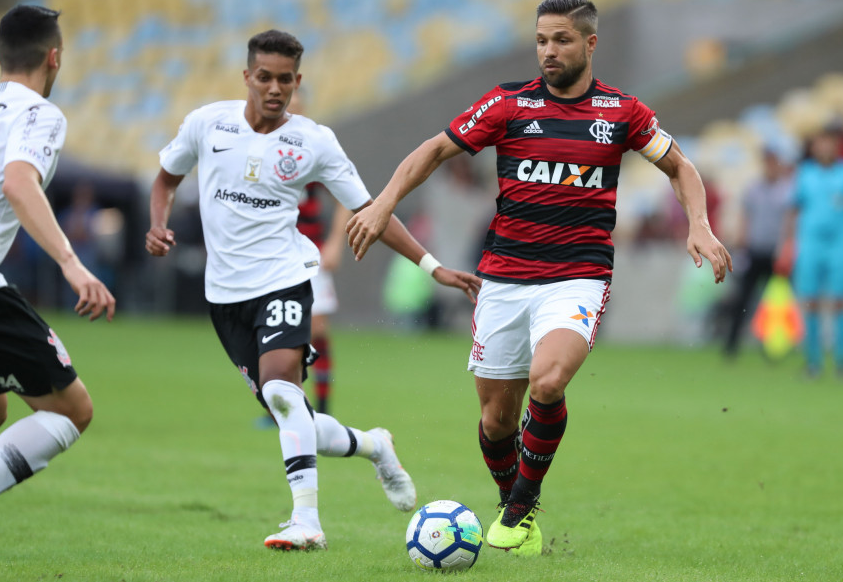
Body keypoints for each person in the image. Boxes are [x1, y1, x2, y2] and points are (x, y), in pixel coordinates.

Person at [347, 0, 731, 557]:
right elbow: (433, 150)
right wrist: (384, 203)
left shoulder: (622, 112)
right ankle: (514, 506)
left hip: (578, 276)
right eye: (542, 40)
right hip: (503, 278)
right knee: (496, 419)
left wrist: (699, 224)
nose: (550, 51)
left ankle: (520, 508)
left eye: (562, 40)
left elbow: (681, 167)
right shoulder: (508, 104)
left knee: (547, 383)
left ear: (590, 44)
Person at [145, 29, 481, 551]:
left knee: (282, 394)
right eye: (265, 77)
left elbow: (372, 209)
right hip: (224, 298)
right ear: (246, 77)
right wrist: (157, 224)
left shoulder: (313, 141)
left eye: (285, 79)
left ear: (297, 81)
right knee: (292, 413)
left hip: (285, 279)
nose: (275, 88)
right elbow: (166, 180)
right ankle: (374, 444)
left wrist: (433, 266)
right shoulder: (206, 123)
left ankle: (306, 522)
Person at [0, 5, 115, 495]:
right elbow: (18, 181)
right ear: (54, 58)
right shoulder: (38, 113)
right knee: (71, 410)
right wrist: (71, 262)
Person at [781, 123, 843, 377]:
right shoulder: (804, 173)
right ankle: (813, 362)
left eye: (829, 141)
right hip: (810, 245)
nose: (825, 146)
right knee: (811, 303)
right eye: (820, 142)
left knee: (840, 303)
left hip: (839, 245)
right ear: (815, 146)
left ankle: (840, 362)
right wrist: (785, 245)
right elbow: (793, 211)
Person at [722, 144, 793, 357]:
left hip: (775, 253)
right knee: (743, 298)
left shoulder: (787, 190)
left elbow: (789, 222)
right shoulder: (754, 188)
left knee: (775, 304)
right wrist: (741, 241)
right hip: (755, 250)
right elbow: (746, 216)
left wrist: (786, 247)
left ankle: (773, 347)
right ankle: (732, 345)